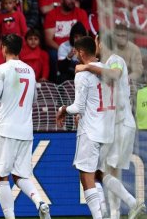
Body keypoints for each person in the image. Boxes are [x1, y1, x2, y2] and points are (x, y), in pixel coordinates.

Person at [0, 34, 51, 219]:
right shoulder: (30, 71)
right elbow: (32, 99)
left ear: (3, 47)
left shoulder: (1, 69)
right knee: (21, 175)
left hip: (5, 130)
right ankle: (40, 202)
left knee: (1, 177)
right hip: (25, 131)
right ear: (20, 49)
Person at [75, 33, 146, 219]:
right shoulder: (104, 65)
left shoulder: (115, 60)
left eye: (95, 40)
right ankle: (121, 209)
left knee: (104, 171)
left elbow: (115, 74)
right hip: (116, 124)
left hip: (121, 124)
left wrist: (86, 66)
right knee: (104, 171)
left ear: (101, 42)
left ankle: (129, 205)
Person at [56, 36, 115, 219]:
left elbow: (78, 108)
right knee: (102, 174)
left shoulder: (81, 74)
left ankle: (99, 217)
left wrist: (63, 109)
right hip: (109, 129)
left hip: (90, 130)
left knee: (87, 175)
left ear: (81, 52)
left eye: (76, 52)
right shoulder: (109, 69)